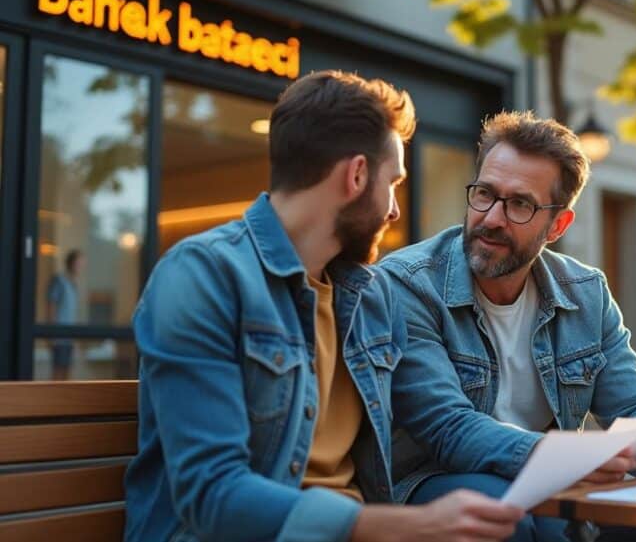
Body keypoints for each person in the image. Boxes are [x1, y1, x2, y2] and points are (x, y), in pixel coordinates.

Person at [124, 71, 523, 542]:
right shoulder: (204, 277)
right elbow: (212, 495)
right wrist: (405, 526)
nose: (394, 210)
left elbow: (446, 422)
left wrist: (567, 457)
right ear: (356, 175)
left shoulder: (373, 297)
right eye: (391, 182)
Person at [380, 111, 636, 542]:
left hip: (559, 477)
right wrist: (562, 457)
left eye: (519, 204)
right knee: (513, 514)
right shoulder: (409, 283)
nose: (492, 217)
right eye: (485, 194)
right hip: (437, 479)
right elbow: (447, 428)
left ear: (557, 225)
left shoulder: (585, 292)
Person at [46, 249, 84, 380]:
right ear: (71, 263)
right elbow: (51, 305)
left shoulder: (74, 284)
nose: (81, 266)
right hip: (59, 337)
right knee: (58, 372)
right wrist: (51, 335)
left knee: (67, 372)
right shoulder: (59, 281)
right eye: (79, 263)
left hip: (69, 337)